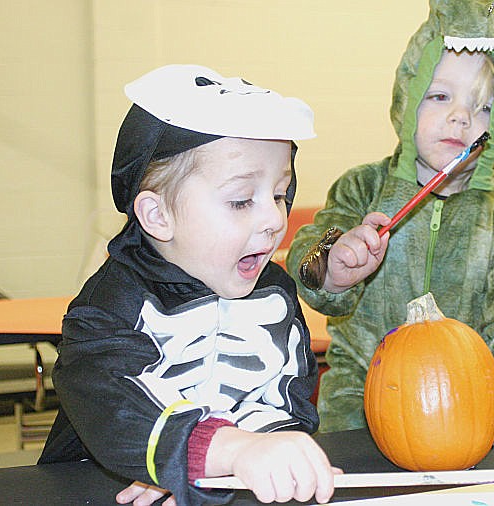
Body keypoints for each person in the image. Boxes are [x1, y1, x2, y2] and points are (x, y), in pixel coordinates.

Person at [38, 64, 340, 505]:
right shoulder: (112, 300)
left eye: (280, 194)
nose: (276, 220)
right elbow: (105, 397)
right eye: (241, 200)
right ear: (158, 216)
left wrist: (270, 451)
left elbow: (286, 397)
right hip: (102, 484)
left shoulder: (273, 291)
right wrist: (196, 453)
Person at [286, 0, 494, 447]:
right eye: (440, 96)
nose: (462, 116)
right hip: (359, 402)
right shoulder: (361, 187)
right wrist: (333, 269)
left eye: (484, 107)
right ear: (409, 101)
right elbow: (308, 257)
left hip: (467, 406)